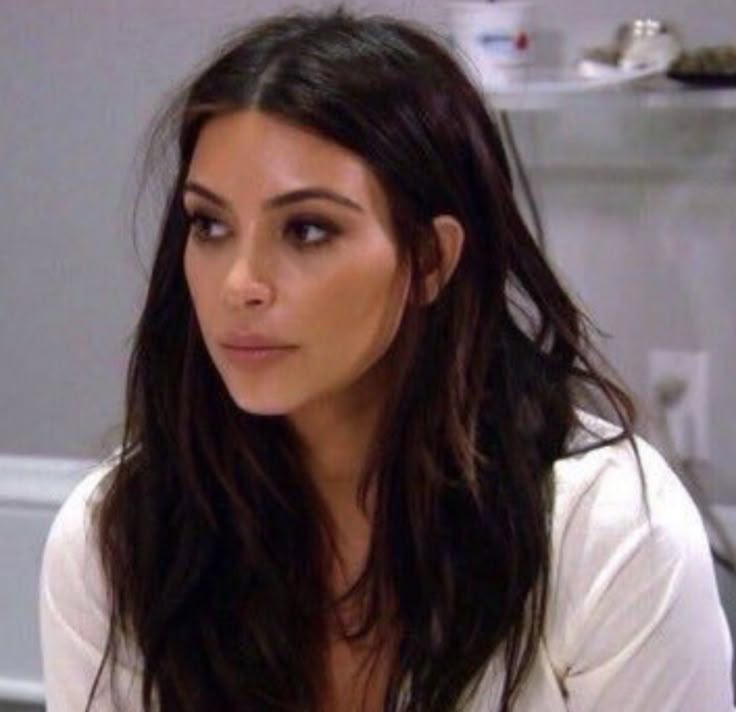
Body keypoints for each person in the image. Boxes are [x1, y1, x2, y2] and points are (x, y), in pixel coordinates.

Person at [39, 7, 733, 712]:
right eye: (210, 225)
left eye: (308, 229)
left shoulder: (608, 531)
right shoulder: (117, 537)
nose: (238, 283)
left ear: (430, 260)